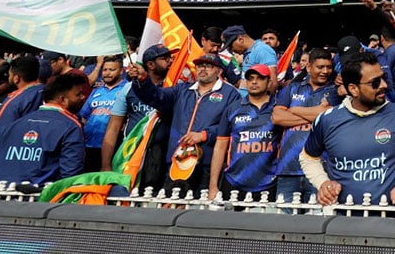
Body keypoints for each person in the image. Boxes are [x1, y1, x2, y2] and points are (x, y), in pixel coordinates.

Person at [299, 50, 395, 210]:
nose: (384, 85)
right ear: (354, 89)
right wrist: (323, 183)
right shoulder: (327, 120)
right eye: (375, 82)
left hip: (388, 218)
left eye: (383, 78)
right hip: (341, 220)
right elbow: (308, 158)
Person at [128, 53, 240, 194]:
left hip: (207, 165)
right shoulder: (182, 90)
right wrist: (143, 80)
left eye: (208, 66)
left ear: (220, 71)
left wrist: (205, 135)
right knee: (171, 207)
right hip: (177, 161)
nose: (202, 69)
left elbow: (233, 126)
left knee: (197, 210)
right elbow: (156, 97)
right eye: (199, 65)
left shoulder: (230, 94)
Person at [0, 73, 89, 186]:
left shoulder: (14, 125)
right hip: (43, 199)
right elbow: (70, 175)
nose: (83, 97)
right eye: (78, 94)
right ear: (62, 100)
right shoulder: (71, 126)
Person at [101, 44, 175, 188]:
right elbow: (113, 128)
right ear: (151, 65)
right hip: (132, 153)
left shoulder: (176, 88)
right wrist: (105, 166)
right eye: (165, 58)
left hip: (164, 156)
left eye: (170, 57)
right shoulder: (128, 89)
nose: (170, 61)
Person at [273, 48, 341, 205]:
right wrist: (316, 114)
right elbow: (277, 117)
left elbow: (330, 117)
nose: (325, 71)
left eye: (328, 67)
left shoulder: (335, 92)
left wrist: (294, 110)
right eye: (320, 67)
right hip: (288, 168)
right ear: (309, 67)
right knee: (284, 221)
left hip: (321, 170)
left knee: (316, 221)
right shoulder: (292, 88)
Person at [209, 64, 278, 201]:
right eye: (250, 78)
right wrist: (213, 186)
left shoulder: (278, 108)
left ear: (269, 82)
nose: (254, 82)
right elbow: (220, 147)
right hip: (234, 181)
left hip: (268, 183)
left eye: (260, 78)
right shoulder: (233, 109)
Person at [0, 56, 44, 174]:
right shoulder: (47, 92)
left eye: (10, 75)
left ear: (16, 78)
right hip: (36, 159)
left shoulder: (16, 100)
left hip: (11, 160)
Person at [79, 56, 127, 172]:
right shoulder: (96, 91)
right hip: (90, 146)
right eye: (105, 70)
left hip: (114, 146)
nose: (107, 73)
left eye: (112, 70)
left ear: (121, 71)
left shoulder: (127, 89)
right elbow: (84, 116)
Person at [221, 25, 278, 94]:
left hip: (255, 103)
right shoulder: (249, 52)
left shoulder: (262, 50)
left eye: (230, 46)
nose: (230, 50)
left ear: (240, 39)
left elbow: (272, 84)